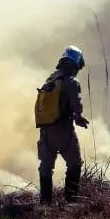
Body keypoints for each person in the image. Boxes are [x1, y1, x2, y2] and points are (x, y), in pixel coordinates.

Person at [34, 45, 91, 205]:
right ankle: (71, 202)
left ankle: (45, 204)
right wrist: (79, 117)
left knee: (45, 168)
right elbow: (76, 104)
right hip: (63, 130)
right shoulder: (71, 82)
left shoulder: (51, 80)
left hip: (45, 131)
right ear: (76, 64)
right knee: (75, 163)